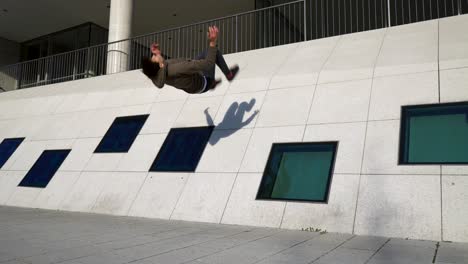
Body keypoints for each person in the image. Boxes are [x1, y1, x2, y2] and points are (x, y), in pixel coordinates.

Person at [141, 26, 239, 94]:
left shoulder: (158, 76)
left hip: (191, 83)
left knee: (202, 55)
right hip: (203, 82)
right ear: (160, 65)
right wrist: (212, 42)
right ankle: (227, 76)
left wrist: (158, 53)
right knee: (214, 52)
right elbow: (208, 63)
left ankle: (212, 83)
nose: (154, 55)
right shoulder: (177, 69)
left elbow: (157, 71)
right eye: (153, 57)